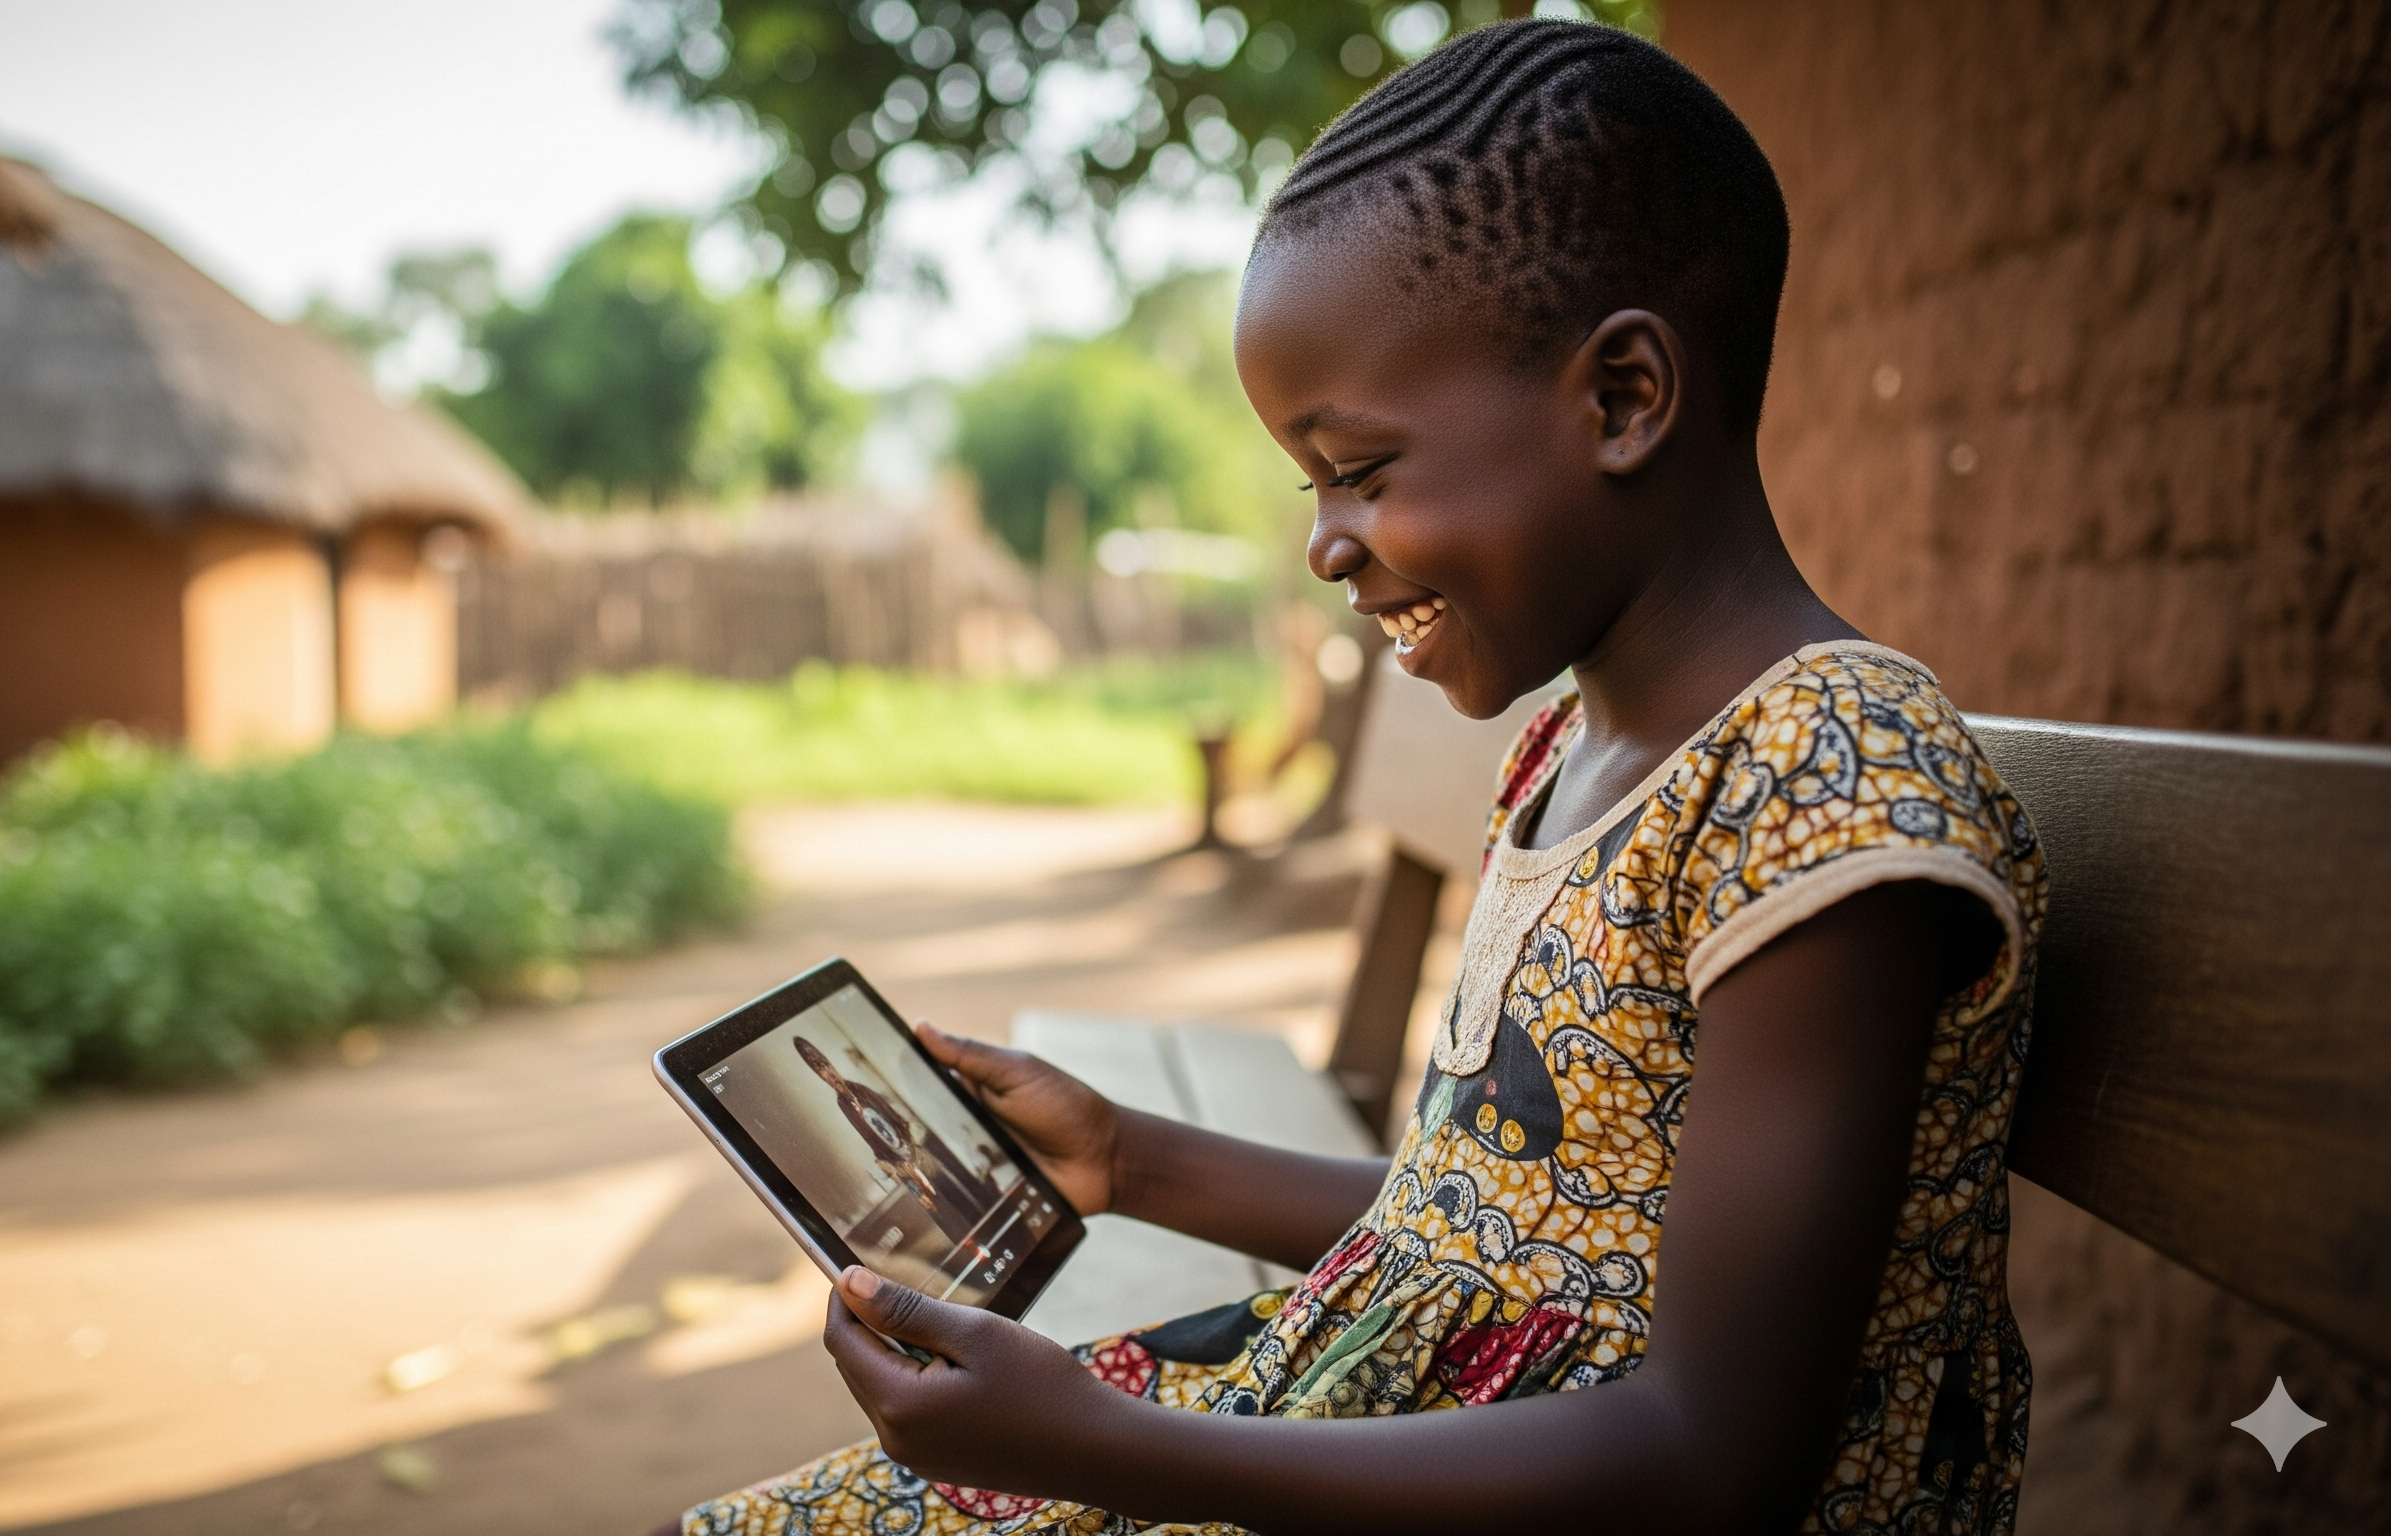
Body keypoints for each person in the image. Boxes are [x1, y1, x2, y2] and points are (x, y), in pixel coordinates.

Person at [668, 20, 2043, 1536]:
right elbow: (1501, 1238)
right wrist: (1129, 1156)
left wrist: (1106, 1448)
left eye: (1360, 471)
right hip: (1427, 1417)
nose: (1324, 543)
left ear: (1625, 397)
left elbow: (1713, 1458)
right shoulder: (1572, 748)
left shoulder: (1823, 779)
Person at [797, 1035, 999, 1252]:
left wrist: (908, 1142)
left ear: (832, 1065)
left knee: (956, 1182)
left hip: (917, 1145)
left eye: (826, 1067)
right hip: (904, 1161)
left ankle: (992, 1223)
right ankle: (977, 1240)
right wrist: (889, 1161)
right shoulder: (844, 1104)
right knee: (941, 1199)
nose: (827, 1074)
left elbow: (893, 1113)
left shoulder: (860, 1087)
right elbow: (872, 1137)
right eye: (820, 1072)